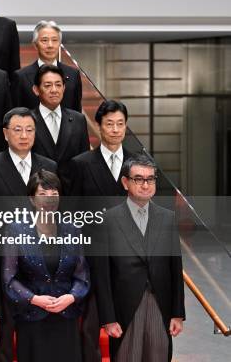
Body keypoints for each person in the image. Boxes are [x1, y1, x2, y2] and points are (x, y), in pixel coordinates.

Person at [0, 107, 56, 362]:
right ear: (5, 133)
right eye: (17, 129)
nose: (24, 135)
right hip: (3, 256)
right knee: (5, 329)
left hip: (40, 257)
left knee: (38, 329)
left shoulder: (48, 165)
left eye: (29, 130)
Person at [93, 155, 185, 362]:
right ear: (125, 182)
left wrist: (177, 313)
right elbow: (102, 275)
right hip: (124, 307)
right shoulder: (109, 220)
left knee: (159, 356)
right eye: (138, 179)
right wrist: (108, 318)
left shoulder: (167, 218)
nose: (145, 185)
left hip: (159, 305)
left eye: (150, 179)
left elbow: (175, 268)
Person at [68, 99, 134, 362]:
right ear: (98, 126)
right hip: (93, 255)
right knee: (91, 324)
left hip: (130, 256)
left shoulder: (138, 163)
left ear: (126, 127)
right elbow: (72, 213)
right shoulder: (81, 164)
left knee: (127, 321)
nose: (115, 129)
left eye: (120, 124)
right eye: (109, 124)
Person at [2, 169, 90, 362]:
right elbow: (9, 278)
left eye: (54, 194)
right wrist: (34, 299)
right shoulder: (16, 229)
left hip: (66, 316)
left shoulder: (72, 228)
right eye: (43, 194)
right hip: (32, 317)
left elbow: (82, 275)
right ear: (32, 199)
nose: (49, 200)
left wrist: (71, 296)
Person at [30, 65, 89, 191]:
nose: (54, 90)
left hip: (72, 196)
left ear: (64, 88)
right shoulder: (27, 120)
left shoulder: (78, 120)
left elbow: (84, 161)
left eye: (58, 85)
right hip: (38, 193)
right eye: (47, 85)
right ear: (36, 89)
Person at [11, 20, 82, 112]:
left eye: (54, 40)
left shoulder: (73, 74)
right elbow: (16, 114)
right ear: (35, 45)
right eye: (44, 40)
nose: (50, 45)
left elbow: (77, 111)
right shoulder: (21, 76)